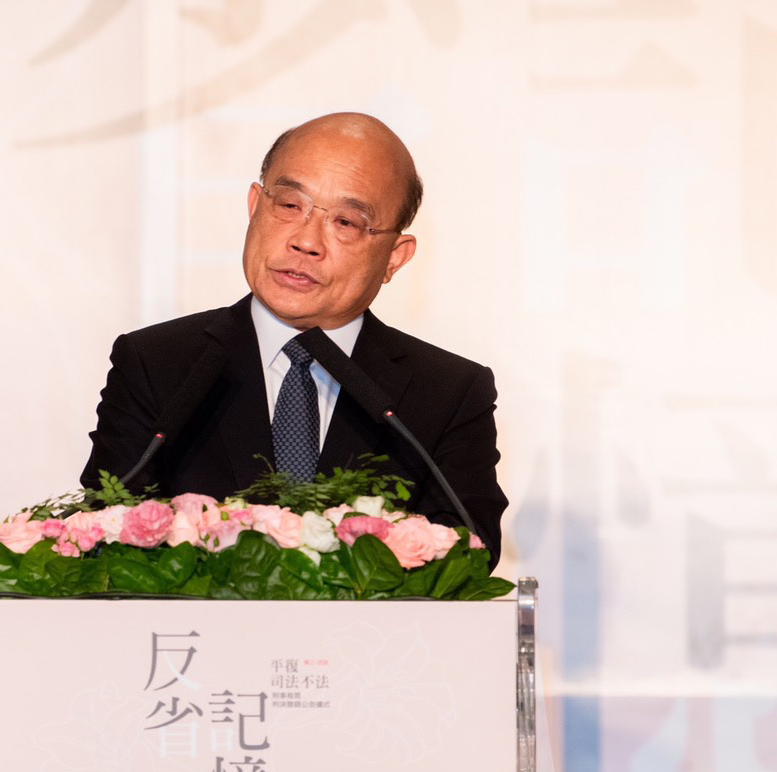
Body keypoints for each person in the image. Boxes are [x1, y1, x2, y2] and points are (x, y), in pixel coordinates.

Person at [80, 112, 507, 560]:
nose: (306, 241)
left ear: (394, 258)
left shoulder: (448, 394)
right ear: (254, 206)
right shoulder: (156, 364)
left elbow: (466, 559)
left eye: (346, 222)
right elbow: (103, 539)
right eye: (288, 206)